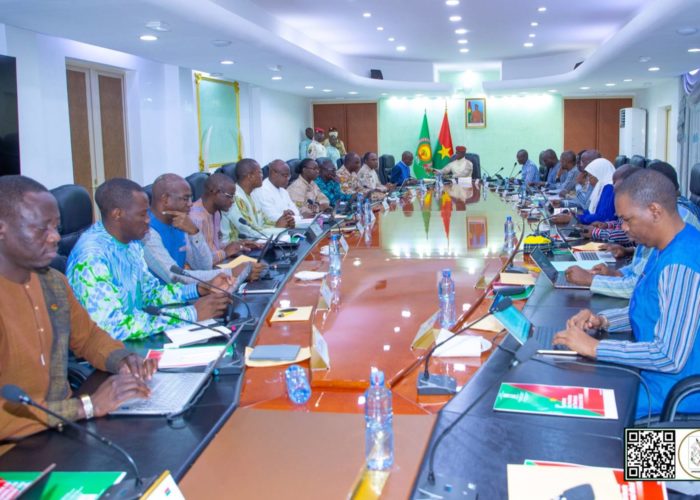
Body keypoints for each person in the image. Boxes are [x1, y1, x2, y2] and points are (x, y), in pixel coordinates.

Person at [0, 175, 157, 440]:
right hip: (14, 450)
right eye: (41, 228)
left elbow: (88, 337)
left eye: (56, 227)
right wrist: (86, 406)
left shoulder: (53, 282)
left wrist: (122, 359)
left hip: (60, 430)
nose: (54, 238)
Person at [554, 169, 700, 419]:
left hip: (671, 402)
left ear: (655, 211)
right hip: (649, 378)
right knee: (570, 393)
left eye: (627, 219)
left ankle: (635, 447)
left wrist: (595, 347)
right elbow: (652, 308)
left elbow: (669, 357)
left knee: (573, 409)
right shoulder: (665, 247)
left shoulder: (681, 262)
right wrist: (603, 320)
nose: (623, 228)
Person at [67, 178, 231, 341]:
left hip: (136, 339)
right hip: (111, 350)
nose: (148, 219)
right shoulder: (91, 258)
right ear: (117, 214)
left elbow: (150, 293)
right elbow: (112, 327)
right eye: (142, 214)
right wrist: (191, 314)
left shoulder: (132, 243)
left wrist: (199, 289)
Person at [566, 163, 700, 298]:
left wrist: (591, 280)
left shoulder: (676, 222)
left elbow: (639, 286)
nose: (623, 227)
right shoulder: (661, 218)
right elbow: (642, 269)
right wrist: (616, 273)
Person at [142, 173, 262, 285]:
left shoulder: (179, 222)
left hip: (180, 292)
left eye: (191, 198)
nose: (190, 204)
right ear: (165, 199)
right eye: (185, 199)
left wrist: (194, 232)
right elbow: (174, 276)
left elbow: (204, 266)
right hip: (163, 297)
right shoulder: (147, 232)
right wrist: (232, 272)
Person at [189, 173, 258, 266]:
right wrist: (225, 253)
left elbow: (214, 246)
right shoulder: (195, 218)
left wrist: (237, 245)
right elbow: (200, 263)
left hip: (218, 264)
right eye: (230, 196)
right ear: (216, 192)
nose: (232, 201)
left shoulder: (216, 213)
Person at [221, 158, 295, 242]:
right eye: (260, 172)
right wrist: (278, 228)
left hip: (256, 242)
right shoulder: (235, 198)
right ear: (250, 176)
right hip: (236, 246)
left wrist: (283, 222)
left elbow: (264, 221)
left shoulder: (253, 194)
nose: (262, 176)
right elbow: (249, 232)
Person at [552, 158, 616, 225]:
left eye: (590, 176)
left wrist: (573, 219)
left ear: (599, 174)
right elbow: (591, 211)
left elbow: (603, 217)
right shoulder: (601, 186)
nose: (589, 181)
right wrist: (574, 215)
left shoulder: (609, 188)